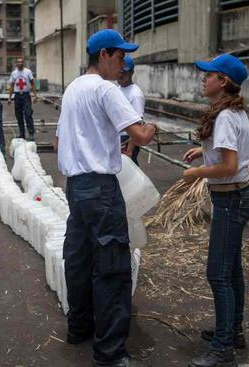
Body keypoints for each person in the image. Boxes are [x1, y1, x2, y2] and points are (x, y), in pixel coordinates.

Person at [56, 29, 158, 367]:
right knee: (112, 267)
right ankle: (111, 354)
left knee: (79, 258)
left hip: (76, 186)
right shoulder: (106, 89)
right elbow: (139, 133)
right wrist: (152, 128)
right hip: (101, 188)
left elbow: (58, 143)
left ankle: (79, 327)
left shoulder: (72, 89)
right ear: (103, 55)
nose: (123, 63)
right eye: (119, 56)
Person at [181, 54, 249, 367]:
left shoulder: (224, 116)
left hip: (231, 199)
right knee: (231, 270)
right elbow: (228, 150)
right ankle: (232, 331)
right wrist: (204, 150)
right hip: (237, 197)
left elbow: (229, 165)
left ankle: (223, 348)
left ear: (222, 81)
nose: (203, 78)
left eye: (208, 74)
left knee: (218, 274)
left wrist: (195, 173)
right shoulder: (233, 110)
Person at [117, 55, 145, 165]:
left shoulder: (135, 94)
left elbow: (138, 123)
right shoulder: (118, 89)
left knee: (129, 171)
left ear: (131, 72)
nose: (121, 74)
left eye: (124, 72)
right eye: (119, 71)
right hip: (118, 138)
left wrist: (130, 151)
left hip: (127, 139)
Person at [7, 58, 38, 141]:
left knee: (28, 114)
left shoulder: (28, 72)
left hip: (26, 96)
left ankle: (31, 133)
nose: (20, 63)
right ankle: (22, 134)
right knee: (19, 116)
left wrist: (35, 96)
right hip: (17, 96)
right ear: (16, 63)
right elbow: (12, 86)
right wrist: (9, 98)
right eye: (18, 62)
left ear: (23, 63)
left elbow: (32, 84)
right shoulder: (14, 73)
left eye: (21, 62)